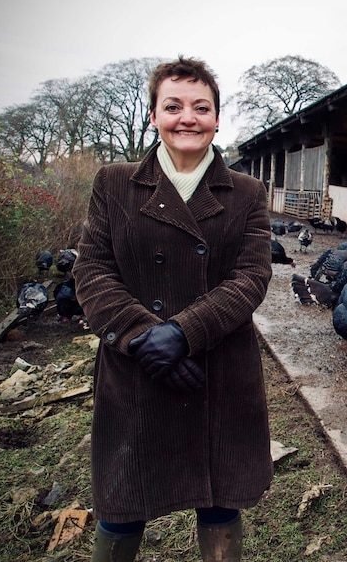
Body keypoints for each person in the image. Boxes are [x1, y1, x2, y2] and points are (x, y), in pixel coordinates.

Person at [73, 56, 273, 562]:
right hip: (137, 370)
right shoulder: (114, 183)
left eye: (201, 107)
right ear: (154, 115)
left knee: (219, 500)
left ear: (217, 118)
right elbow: (93, 270)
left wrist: (184, 333)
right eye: (174, 106)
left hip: (217, 369)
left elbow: (252, 276)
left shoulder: (247, 192)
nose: (188, 117)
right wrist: (143, 336)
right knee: (122, 500)